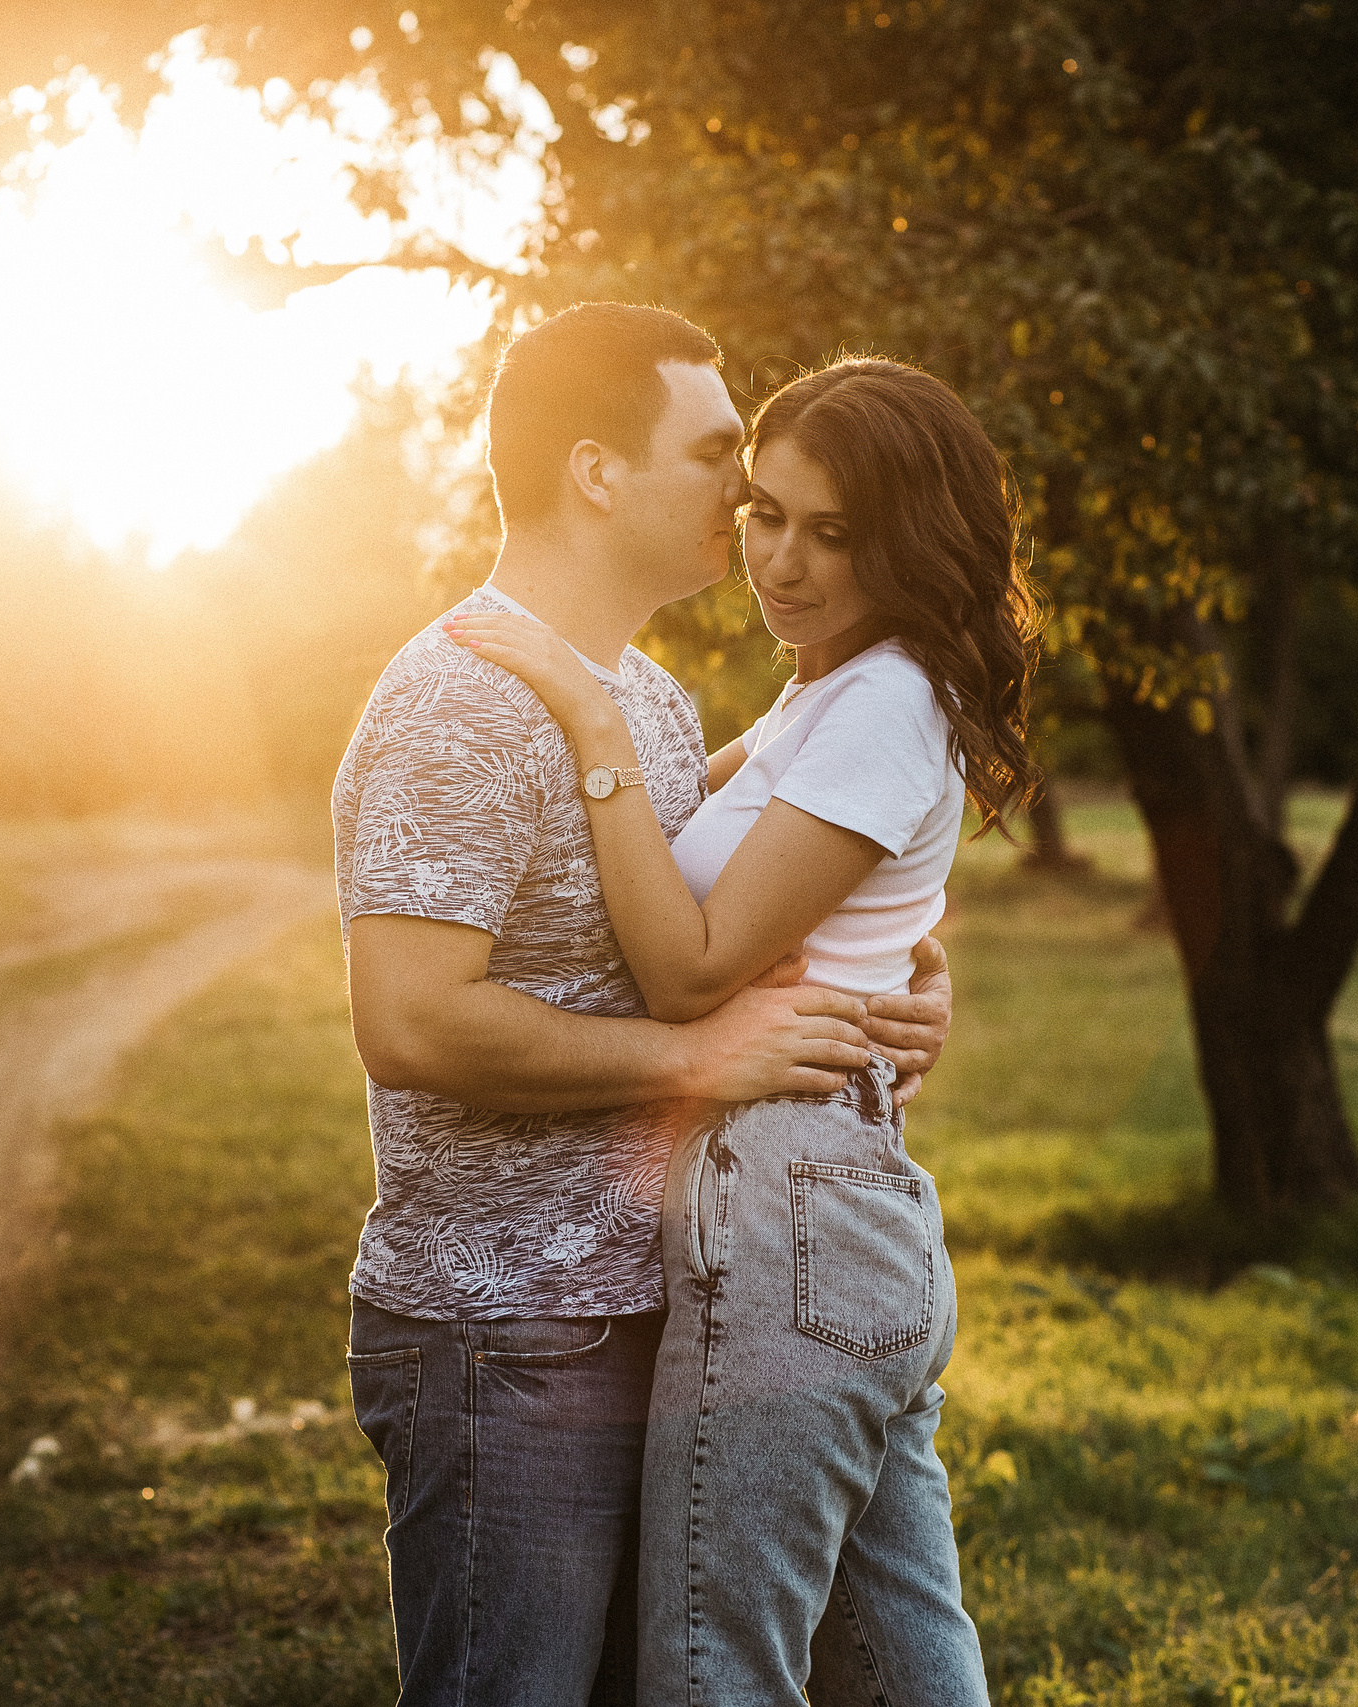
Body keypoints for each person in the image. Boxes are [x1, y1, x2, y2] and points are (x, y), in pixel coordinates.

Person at [334, 307, 959, 1707]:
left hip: (672, 1306)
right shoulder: (462, 701)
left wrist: (906, 971)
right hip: (509, 1333)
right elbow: (414, 1021)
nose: (743, 496)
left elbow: (772, 882)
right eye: (716, 454)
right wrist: (694, 1054)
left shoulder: (660, 707)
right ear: (598, 473)